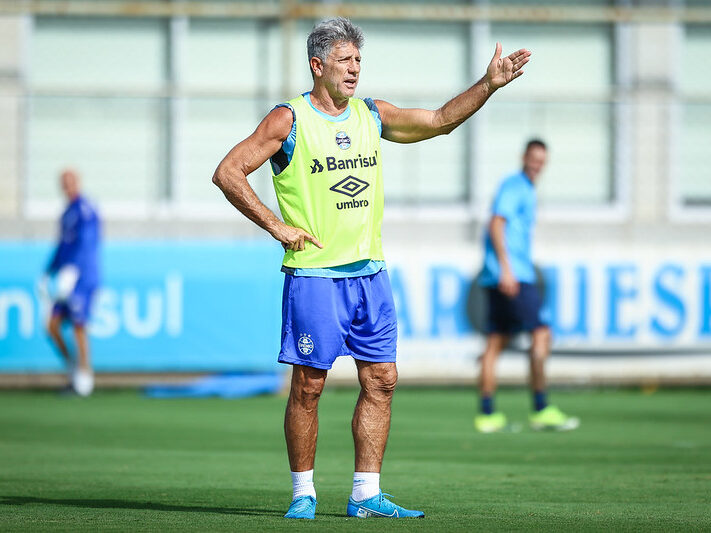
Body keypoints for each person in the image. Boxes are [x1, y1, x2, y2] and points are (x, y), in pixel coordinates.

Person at [212, 17, 530, 519]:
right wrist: (277, 227)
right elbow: (228, 172)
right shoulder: (287, 121)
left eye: (359, 60)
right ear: (317, 66)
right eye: (345, 60)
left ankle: (365, 494)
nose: (355, 68)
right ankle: (303, 493)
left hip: (370, 276)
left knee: (382, 379)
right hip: (316, 277)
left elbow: (440, 120)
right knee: (308, 387)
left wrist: (488, 84)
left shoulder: (371, 115)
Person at [474, 140, 579, 433]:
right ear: (524, 157)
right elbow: (496, 224)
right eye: (534, 159)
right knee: (541, 333)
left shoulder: (524, 188)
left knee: (495, 342)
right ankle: (541, 406)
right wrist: (507, 269)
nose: (537, 165)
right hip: (514, 275)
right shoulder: (515, 186)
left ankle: (487, 415)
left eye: (541, 161)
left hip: (498, 274)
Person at [41, 169, 101, 397]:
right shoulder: (66, 213)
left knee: (78, 324)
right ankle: (73, 369)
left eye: (70, 182)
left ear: (77, 182)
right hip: (66, 276)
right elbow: (62, 245)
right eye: (63, 183)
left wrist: (75, 269)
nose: (67, 186)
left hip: (83, 277)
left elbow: (87, 243)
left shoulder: (85, 209)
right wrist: (48, 271)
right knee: (52, 325)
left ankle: (84, 377)